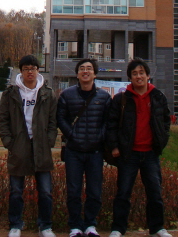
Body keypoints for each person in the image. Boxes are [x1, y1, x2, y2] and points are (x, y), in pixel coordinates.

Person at [106, 58, 172, 237]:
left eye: (141, 73)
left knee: (155, 192)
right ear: (130, 78)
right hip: (129, 154)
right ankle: (118, 229)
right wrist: (114, 146)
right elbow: (111, 124)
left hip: (150, 153)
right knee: (123, 192)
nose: (138, 76)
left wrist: (161, 141)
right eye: (134, 73)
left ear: (148, 75)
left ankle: (157, 228)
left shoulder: (158, 97)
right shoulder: (121, 99)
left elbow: (166, 121)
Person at [0, 55, 58, 237]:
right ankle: (15, 225)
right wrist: (9, 143)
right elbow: (2, 121)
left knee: (45, 191)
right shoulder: (10, 94)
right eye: (26, 69)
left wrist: (49, 141)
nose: (29, 72)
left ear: (38, 70)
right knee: (16, 191)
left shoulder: (47, 93)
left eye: (33, 68)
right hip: (19, 146)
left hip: (41, 147)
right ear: (21, 71)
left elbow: (53, 121)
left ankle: (45, 226)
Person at [57, 58, 111, 237]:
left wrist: (100, 137)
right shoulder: (67, 95)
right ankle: (75, 226)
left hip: (95, 151)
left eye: (89, 68)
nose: (85, 71)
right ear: (77, 74)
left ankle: (90, 224)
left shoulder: (104, 97)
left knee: (94, 191)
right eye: (82, 68)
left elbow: (108, 121)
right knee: (73, 191)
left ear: (95, 74)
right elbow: (61, 118)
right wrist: (71, 134)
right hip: (74, 151)